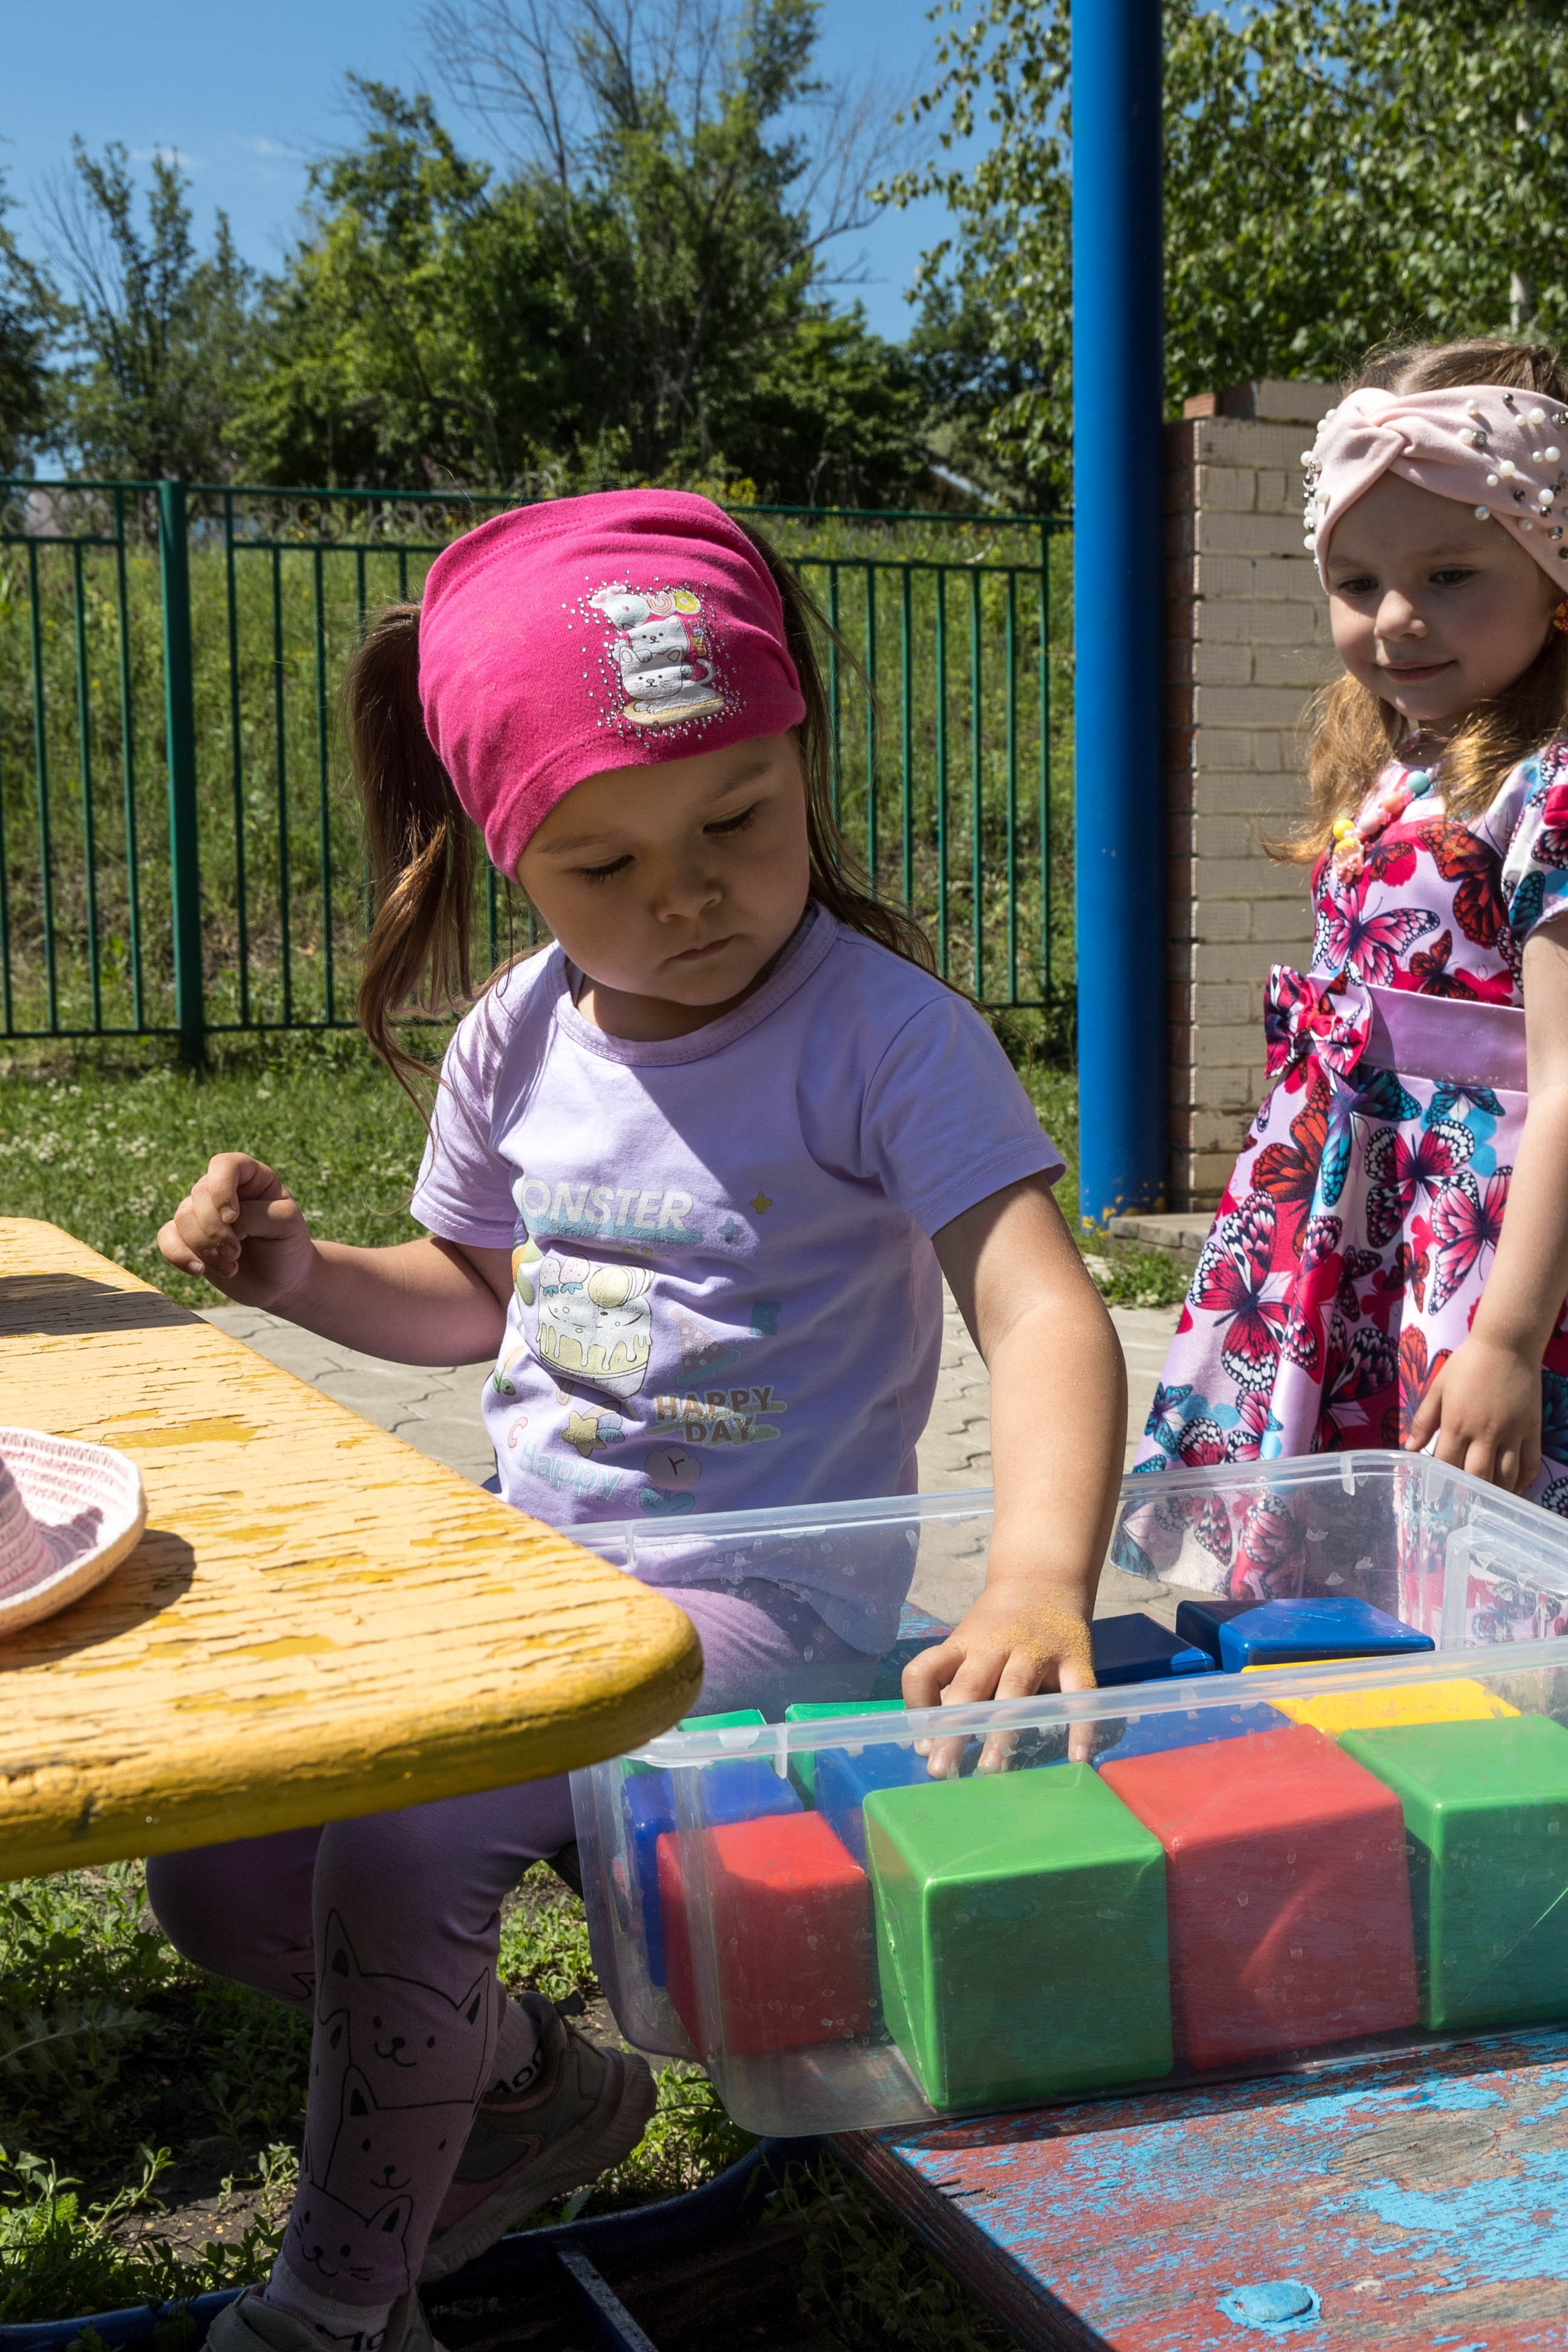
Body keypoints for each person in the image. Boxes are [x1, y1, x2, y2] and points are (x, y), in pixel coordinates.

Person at [150, 491, 1126, 2352]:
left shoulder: (885, 1034)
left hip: (767, 1600)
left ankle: (334, 2311)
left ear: (802, 760)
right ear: (505, 855)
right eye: (603, 862)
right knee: (221, 1870)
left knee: (406, 1846)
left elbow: (1038, 1308)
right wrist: (299, 1275)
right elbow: (474, 1296)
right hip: (539, 1588)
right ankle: (536, 2094)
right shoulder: (515, 1036)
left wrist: (1031, 1577)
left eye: (736, 821)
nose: (684, 895)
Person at [1136, 341, 1568, 1558]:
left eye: (1448, 574)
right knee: (1347, 1556)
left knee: (1474, 1550)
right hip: (1353, 1222)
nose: (1394, 618)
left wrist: (1507, 1340)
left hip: (1482, 1251)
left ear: (1554, 574)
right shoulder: (1397, 765)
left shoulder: (1547, 789)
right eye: (1356, 580)